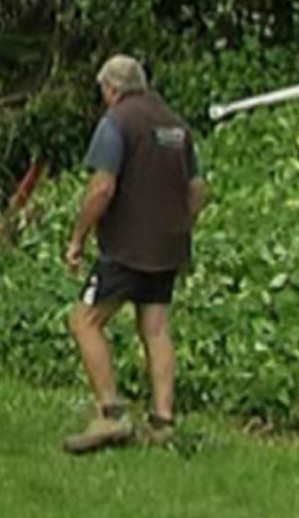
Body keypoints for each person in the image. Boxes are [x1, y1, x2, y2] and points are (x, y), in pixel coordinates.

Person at [62, 55, 207, 454]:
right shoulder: (177, 125)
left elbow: (101, 189)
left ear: (111, 89)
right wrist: (179, 224)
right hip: (170, 245)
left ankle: (110, 415)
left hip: (127, 247)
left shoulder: (117, 123)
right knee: (156, 328)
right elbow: (197, 190)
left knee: (85, 320)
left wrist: (77, 239)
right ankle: (162, 422)